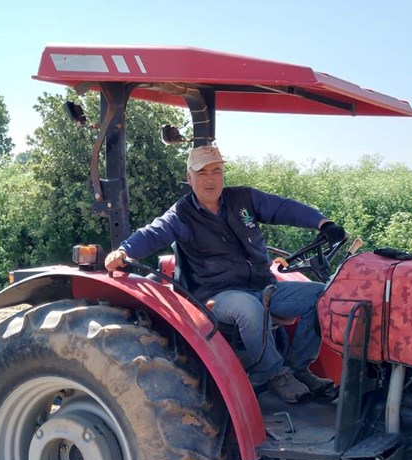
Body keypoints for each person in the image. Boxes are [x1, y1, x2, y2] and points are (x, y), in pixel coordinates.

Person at [105, 145, 345, 403]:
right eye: (202, 172)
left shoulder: (243, 200)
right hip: (217, 295)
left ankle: (299, 367)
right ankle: (274, 373)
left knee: (322, 296)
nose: (210, 179)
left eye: (216, 171)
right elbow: (153, 233)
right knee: (249, 308)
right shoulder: (181, 216)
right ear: (189, 177)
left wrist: (322, 222)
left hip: (263, 286)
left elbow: (282, 207)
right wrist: (124, 250)